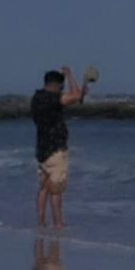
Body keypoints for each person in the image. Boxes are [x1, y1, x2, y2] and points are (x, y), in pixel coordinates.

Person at [32, 64, 94, 233]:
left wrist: (78, 91)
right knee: (56, 189)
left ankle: (41, 221)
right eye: (61, 87)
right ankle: (58, 223)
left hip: (42, 149)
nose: (62, 90)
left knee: (44, 187)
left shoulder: (37, 98)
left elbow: (75, 96)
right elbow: (76, 96)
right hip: (56, 149)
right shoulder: (53, 99)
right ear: (55, 86)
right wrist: (70, 75)